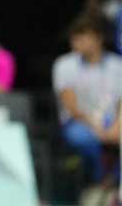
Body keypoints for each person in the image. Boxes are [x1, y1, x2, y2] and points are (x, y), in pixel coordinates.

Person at [52, 13, 122, 187]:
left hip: (113, 120)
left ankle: (115, 182)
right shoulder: (64, 65)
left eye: (83, 36)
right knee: (86, 138)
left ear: (98, 38)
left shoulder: (117, 65)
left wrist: (116, 126)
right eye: (74, 37)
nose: (77, 41)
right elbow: (72, 107)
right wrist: (98, 129)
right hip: (78, 121)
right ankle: (103, 181)